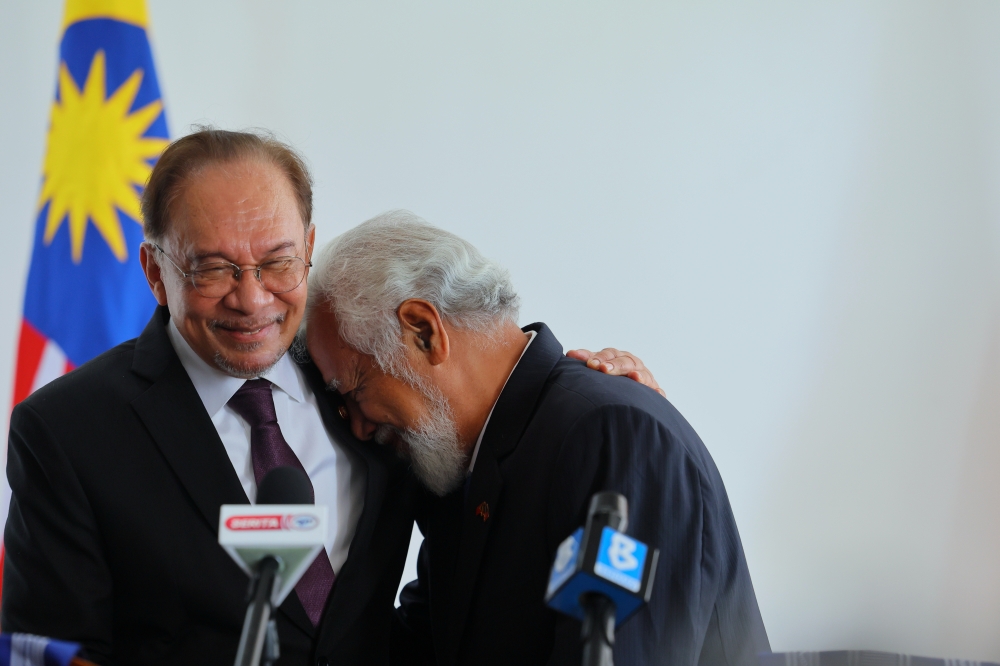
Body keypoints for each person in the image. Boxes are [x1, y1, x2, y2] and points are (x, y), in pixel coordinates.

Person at [2, 129, 661, 665]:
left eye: (278, 262)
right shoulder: (67, 430)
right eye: (213, 268)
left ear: (310, 249)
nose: (252, 298)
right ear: (155, 271)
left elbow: (485, 482)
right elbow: (54, 650)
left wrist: (598, 390)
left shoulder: (365, 380)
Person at [305, 211, 771, 666]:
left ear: (424, 332)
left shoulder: (612, 434)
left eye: (354, 390)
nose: (359, 427)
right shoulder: (465, 464)